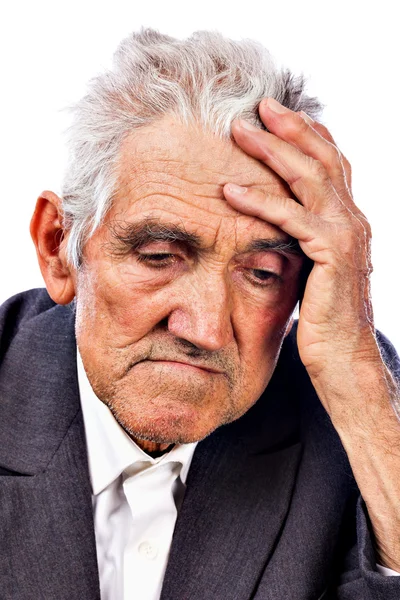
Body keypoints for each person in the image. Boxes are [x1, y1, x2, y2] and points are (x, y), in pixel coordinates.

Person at [0, 27, 399, 600]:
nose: (207, 329)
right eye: (159, 257)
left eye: (262, 274)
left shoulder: (358, 405)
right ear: (59, 246)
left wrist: (358, 380)